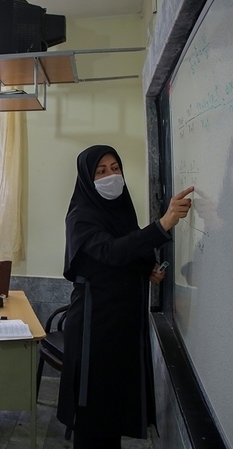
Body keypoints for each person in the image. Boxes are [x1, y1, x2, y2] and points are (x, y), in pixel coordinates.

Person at [58, 145, 193, 449]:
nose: (111, 176)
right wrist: (163, 224)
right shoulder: (81, 216)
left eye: (115, 168)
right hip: (96, 329)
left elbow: (127, 244)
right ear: (86, 179)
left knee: (112, 412)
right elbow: (109, 251)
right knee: (94, 415)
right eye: (101, 171)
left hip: (119, 327)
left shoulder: (119, 209)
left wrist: (147, 267)